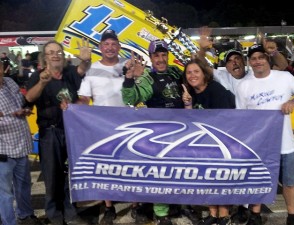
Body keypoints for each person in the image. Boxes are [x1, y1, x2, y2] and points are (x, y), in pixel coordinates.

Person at [78, 29, 150, 225]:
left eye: (113, 44)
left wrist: (138, 76)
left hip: (130, 126)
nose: (110, 47)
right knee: (105, 169)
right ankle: (108, 207)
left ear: (119, 47)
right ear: (100, 47)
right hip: (102, 128)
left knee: (133, 167)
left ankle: (136, 205)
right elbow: (84, 99)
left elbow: (141, 91)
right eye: (106, 44)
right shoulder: (91, 69)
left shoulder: (128, 65)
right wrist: (72, 108)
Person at [122, 39, 195, 225]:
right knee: (161, 174)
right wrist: (129, 79)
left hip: (182, 132)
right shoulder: (147, 78)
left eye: (164, 55)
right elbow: (131, 98)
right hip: (159, 136)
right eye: (157, 55)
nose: (161, 59)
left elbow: (197, 78)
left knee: (183, 172)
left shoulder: (175, 72)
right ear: (151, 57)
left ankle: (184, 204)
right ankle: (161, 214)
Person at [25, 39, 92, 225]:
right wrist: (42, 83)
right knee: (52, 176)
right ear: (44, 57)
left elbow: (81, 69)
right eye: (51, 52)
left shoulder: (69, 73)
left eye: (58, 52)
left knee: (71, 174)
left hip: (70, 131)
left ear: (63, 56)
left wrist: (86, 60)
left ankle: (71, 214)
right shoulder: (38, 76)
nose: (55, 55)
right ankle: (54, 215)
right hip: (49, 133)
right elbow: (29, 98)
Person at [236, 44, 294, 225]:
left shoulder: (284, 77)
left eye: (261, 57)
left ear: (267, 59)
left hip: (285, 143)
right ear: (250, 62)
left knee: (289, 183)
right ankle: (255, 215)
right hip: (259, 145)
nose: (258, 61)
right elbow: (241, 117)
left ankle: (292, 216)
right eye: (253, 58)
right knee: (258, 181)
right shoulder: (244, 86)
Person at [181, 58, 235, 225]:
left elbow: (226, 118)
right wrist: (188, 104)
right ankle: (212, 212)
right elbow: (190, 121)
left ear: (204, 74)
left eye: (196, 71)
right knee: (208, 178)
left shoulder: (215, 89)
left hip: (220, 142)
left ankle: (224, 214)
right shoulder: (190, 94)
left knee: (221, 178)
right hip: (203, 144)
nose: (192, 75)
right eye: (189, 72)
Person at [0, 61, 42, 225]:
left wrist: (23, 109)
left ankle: (25, 215)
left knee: (24, 186)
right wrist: (13, 113)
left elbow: (21, 102)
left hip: (21, 145)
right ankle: (9, 222)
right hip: (3, 150)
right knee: (5, 193)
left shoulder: (10, 82)